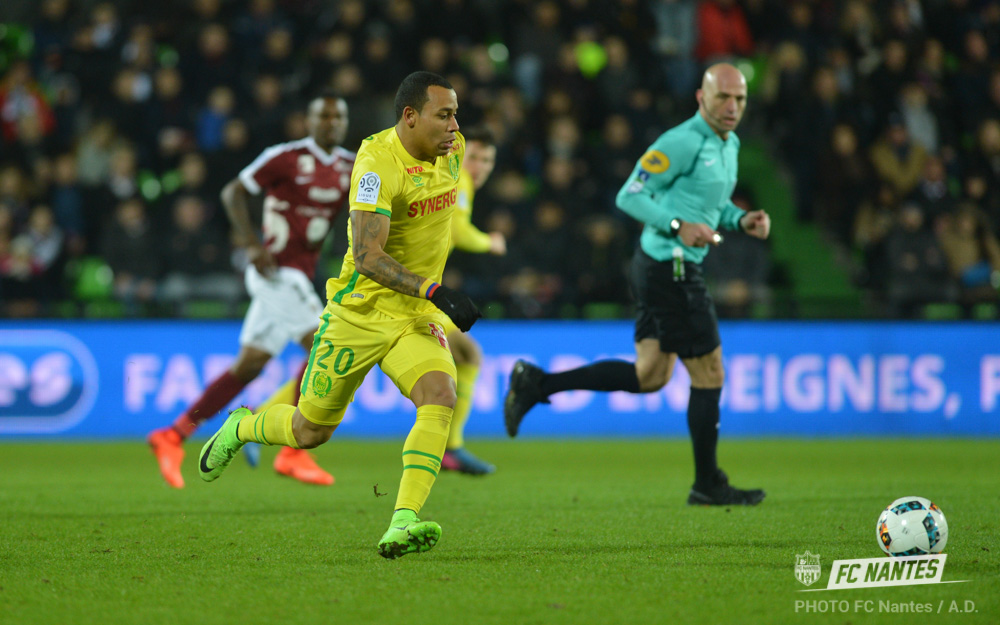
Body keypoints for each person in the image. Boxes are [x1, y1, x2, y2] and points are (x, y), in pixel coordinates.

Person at [197, 72, 481, 559]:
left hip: (414, 316)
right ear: (410, 117)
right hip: (359, 313)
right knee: (310, 431)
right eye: (444, 115)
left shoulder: (453, 151)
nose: (455, 126)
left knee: (440, 395)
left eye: (456, 114)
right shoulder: (376, 164)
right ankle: (240, 427)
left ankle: (403, 520)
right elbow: (367, 256)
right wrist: (435, 289)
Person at [504, 63, 771, 506]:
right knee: (710, 372)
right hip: (671, 267)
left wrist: (741, 219)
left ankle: (537, 383)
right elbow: (629, 195)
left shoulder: (730, 144)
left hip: (661, 266)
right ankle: (707, 483)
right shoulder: (681, 142)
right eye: (722, 97)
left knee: (650, 375)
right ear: (700, 97)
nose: (732, 106)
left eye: (739, 99)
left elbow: (710, 208)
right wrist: (677, 225)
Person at [147, 93, 354, 488]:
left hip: (301, 275)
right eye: (323, 116)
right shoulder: (285, 157)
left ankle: (173, 434)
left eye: (338, 117)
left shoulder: (351, 165)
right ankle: (293, 453)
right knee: (323, 345)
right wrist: (250, 243)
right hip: (275, 272)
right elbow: (233, 192)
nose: (331, 123)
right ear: (308, 121)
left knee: (249, 365)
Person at [440, 126, 506, 475]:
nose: (479, 166)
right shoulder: (459, 180)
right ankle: (449, 448)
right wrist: (489, 242)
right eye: (474, 157)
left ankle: (450, 448)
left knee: (466, 354)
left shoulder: (449, 179)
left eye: (487, 160)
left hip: (413, 289)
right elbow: (458, 231)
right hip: (402, 292)